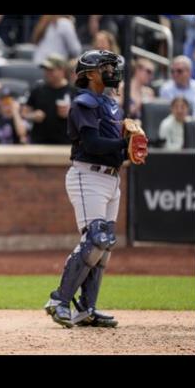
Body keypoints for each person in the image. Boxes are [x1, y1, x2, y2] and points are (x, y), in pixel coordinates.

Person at [45, 50, 148, 329]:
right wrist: (123, 144)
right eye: (106, 67)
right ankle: (59, 300)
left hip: (111, 178)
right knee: (95, 239)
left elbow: (113, 150)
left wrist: (129, 152)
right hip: (87, 175)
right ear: (90, 74)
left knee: (105, 245)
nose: (112, 72)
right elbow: (91, 144)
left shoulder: (112, 104)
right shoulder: (84, 103)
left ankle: (86, 308)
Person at [21, 53, 74, 144]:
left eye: (51, 70)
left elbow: (85, 118)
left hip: (66, 143)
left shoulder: (74, 91)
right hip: (40, 143)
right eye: (45, 70)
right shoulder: (38, 89)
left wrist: (71, 114)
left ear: (62, 70)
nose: (47, 73)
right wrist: (33, 115)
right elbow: (24, 113)